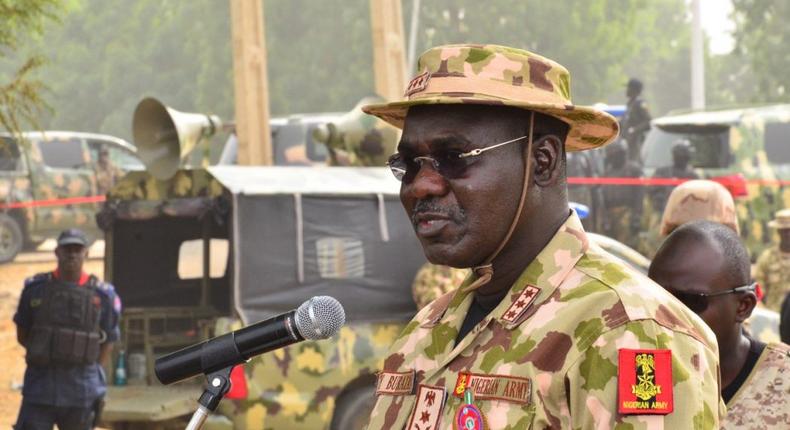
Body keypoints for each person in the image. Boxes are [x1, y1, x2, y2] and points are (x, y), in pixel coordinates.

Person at [362, 44, 722, 429]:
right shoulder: (424, 332)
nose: (421, 186)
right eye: (409, 165)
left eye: (454, 157)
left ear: (542, 161)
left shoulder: (628, 331)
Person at [648, 221, 790, 429]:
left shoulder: (782, 382)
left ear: (743, 306)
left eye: (690, 302)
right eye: (653, 297)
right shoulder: (638, 373)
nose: (667, 314)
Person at [13, 228, 121, 430]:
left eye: (77, 249)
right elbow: (23, 335)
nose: (72, 254)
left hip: (81, 392)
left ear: (86, 253)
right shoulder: (35, 290)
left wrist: (85, 366)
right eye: (67, 249)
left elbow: (109, 341)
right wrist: (44, 351)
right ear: (57, 252)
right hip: (40, 390)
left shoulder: (104, 296)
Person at [601, 140, 643, 249]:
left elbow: (639, 195)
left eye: (619, 154)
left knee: (625, 247)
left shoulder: (633, 170)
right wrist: (605, 217)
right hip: (611, 213)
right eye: (613, 155)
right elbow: (603, 197)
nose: (616, 158)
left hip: (626, 213)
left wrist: (636, 216)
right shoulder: (608, 172)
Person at [754, 209, 790, 311]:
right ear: (778, 231)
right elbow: (758, 291)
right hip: (772, 315)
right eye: (784, 230)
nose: (788, 234)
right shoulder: (767, 257)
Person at [649, 139, 698, 212]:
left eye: (685, 156)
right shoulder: (662, 172)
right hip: (664, 212)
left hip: (687, 214)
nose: (683, 158)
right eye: (681, 155)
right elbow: (652, 191)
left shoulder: (692, 175)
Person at [621, 78, 652, 163]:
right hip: (627, 142)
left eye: (628, 88)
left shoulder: (640, 104)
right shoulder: (630, 104)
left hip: (636, 143)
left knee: (635, 163)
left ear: (634, 89)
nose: (626, 90)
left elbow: (648, 122)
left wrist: (634, 130)